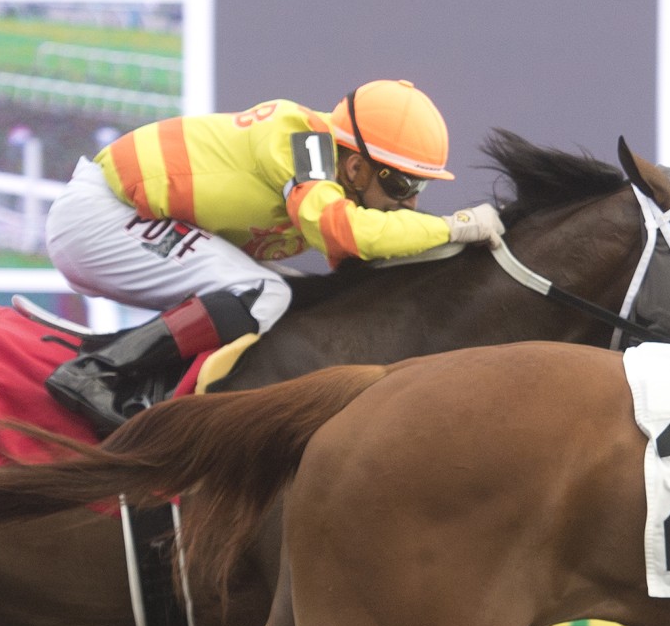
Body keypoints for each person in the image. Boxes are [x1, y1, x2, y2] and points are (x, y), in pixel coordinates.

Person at [42, 79, 506, 432]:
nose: (409, 203)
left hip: (126, 216)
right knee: (261, 291)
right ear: (357, 166)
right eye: (401, 185)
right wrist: (453, 227)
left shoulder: (328, 171)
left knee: (288, 293)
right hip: (102, 216)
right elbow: (344, 234)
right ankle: (94, 372)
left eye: (418, 187)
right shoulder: (304, 141)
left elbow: (354, 268)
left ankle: (147, 377)